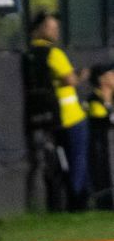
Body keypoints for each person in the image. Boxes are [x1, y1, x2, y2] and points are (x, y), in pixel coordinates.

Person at [26, 12, 89, 211]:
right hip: (71, 117)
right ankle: (77, 201)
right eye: (52, 27)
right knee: (77, 162)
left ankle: (64, 201)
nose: (56, 32)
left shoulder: (30, 55)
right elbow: (70, 80)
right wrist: (81, 75)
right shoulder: (54, 53)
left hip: (48, 118)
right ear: (40, 29)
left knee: (59, 163)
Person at [87, 63, 114, 209]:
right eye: (111, 74)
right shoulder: (94, 99)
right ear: (102, 79)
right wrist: (107, 102)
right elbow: (106, 121)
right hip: (102, 151)